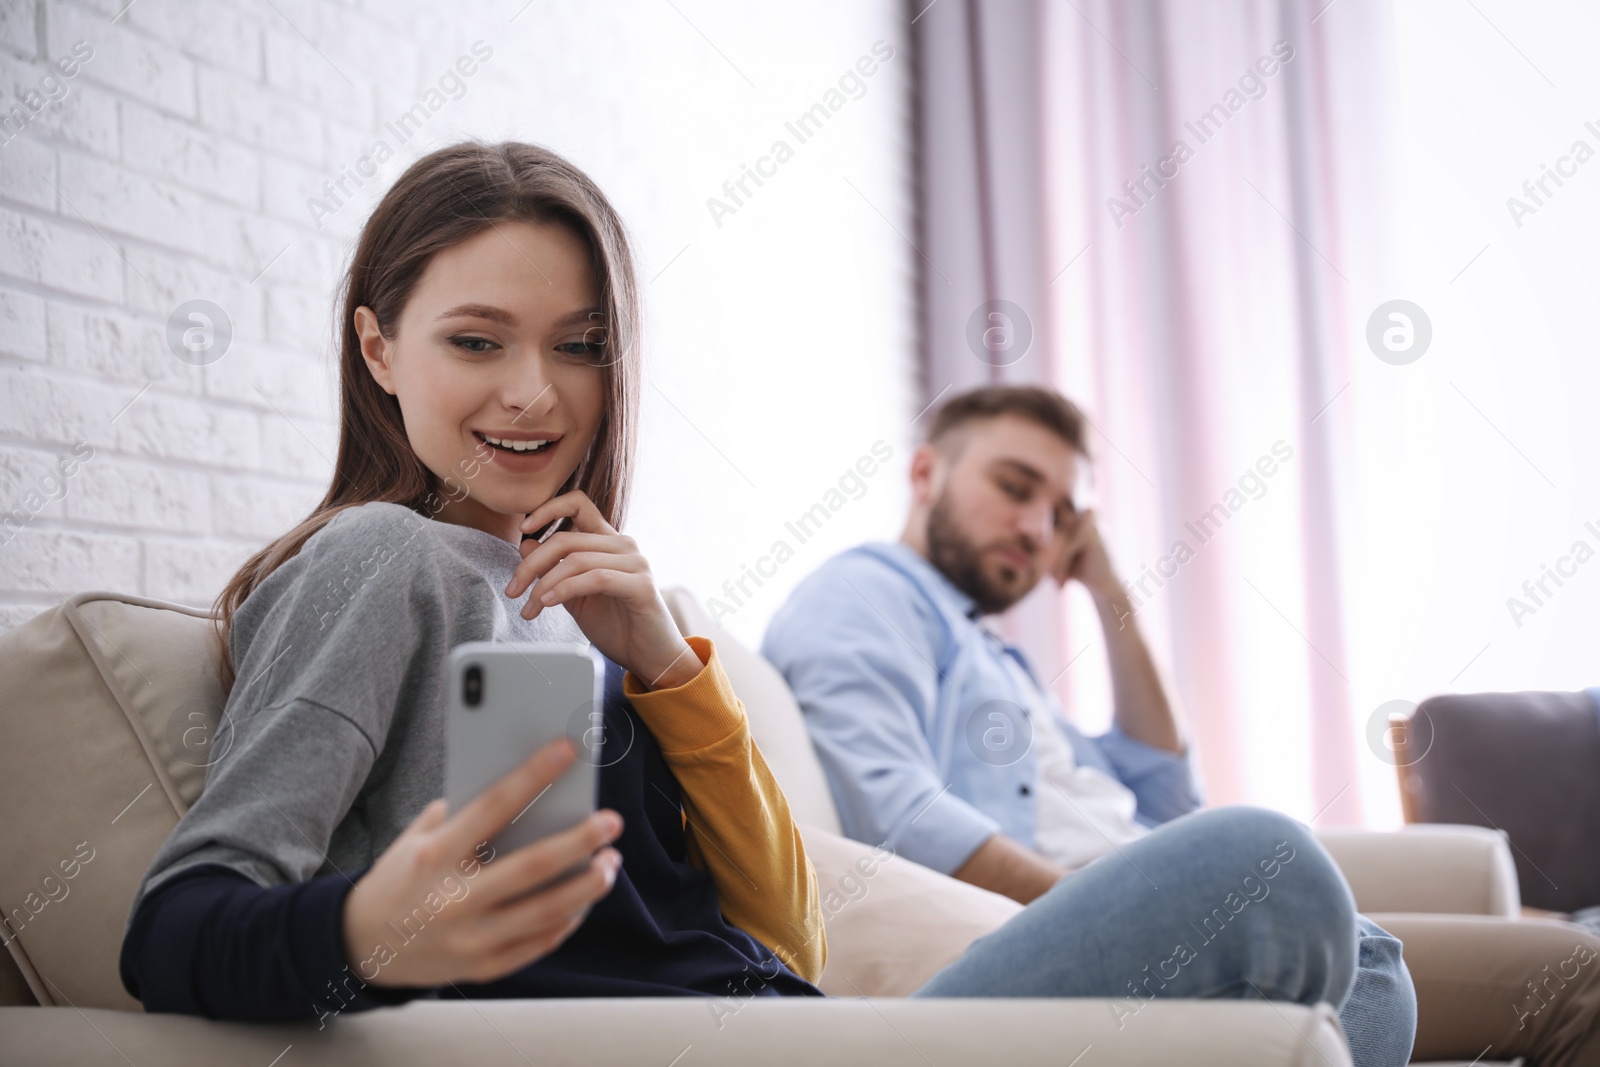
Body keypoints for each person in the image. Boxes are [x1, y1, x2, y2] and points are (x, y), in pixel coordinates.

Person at [121, 144, 1381, 1047]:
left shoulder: (589, 598)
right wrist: (363, 932)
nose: (532, 394)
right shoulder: (380, 563)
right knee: (1265, 865)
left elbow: (791, 935)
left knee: (1369, 976)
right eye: (475, 339)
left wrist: (668, 667)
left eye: (579, 346)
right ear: (378, 348)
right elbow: (175, 928)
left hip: (794, 1024)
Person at [763, 384, 1600, 1066]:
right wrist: (1115, 902)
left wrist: (1110, 592)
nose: (1036, 528)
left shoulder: (991, 652)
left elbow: (1163, 784)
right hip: (1081, 907)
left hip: (1138, 877)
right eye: (1015, 488)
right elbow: (895, 810)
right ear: (924, 474)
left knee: (1531, 953)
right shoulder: (865, 594)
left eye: (1060, 514)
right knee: (1484, 973)